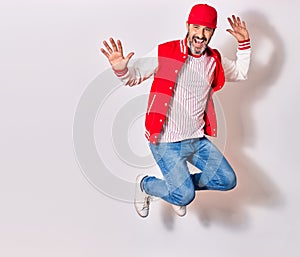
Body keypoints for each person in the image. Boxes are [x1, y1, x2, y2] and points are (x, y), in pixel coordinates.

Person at [100, 3, 251, 218]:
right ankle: (146, 184)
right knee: (186, 195)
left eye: (207, 29)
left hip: (196, 140)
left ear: (213, 33)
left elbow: (240, 73)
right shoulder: (165, 51)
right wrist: (121, 68)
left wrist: (244, 43)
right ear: (188, 26)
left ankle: (175, 190)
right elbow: (133, 77)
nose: (201, 34)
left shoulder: (214, 59)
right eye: (196, 27)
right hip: (165, 140)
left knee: (227, 180)